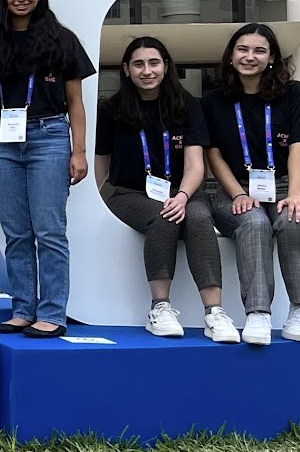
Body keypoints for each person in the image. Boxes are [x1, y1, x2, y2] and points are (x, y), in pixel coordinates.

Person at [0, 0, 95, 338]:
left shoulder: (61, 40)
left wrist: (79, 151)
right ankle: (23, 309)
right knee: (17, 233)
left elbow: (76, 102)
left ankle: (53, 314)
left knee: (50, 230)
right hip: (0, 141)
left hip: (50, 136)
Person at [95, 35, 238, 343]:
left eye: (154, 63)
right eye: (138, 64)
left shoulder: (186, 105)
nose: (147, 71)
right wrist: (93, 204)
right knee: (163, 216)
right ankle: (160, 307)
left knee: (200, 219)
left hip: (183, 190)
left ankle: (214, 312)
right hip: (130, 194)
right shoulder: (112, 109)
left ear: (166, 66)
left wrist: (183, 196)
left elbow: (196, 165)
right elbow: (101, 162)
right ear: (126, 69)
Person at [201, 23, 300, 346]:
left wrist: (297, 194)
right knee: (254, 222)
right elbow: (214, 155)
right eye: (243, 49)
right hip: (234, 188)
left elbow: (299, 146)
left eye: (259, 51)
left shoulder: (294, 94)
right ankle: (258, 313)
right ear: (231, 55)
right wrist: (238, 193)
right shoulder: (214, 101)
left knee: (296, 216)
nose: (250, 57)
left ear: (272, 58)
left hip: (284, 183)